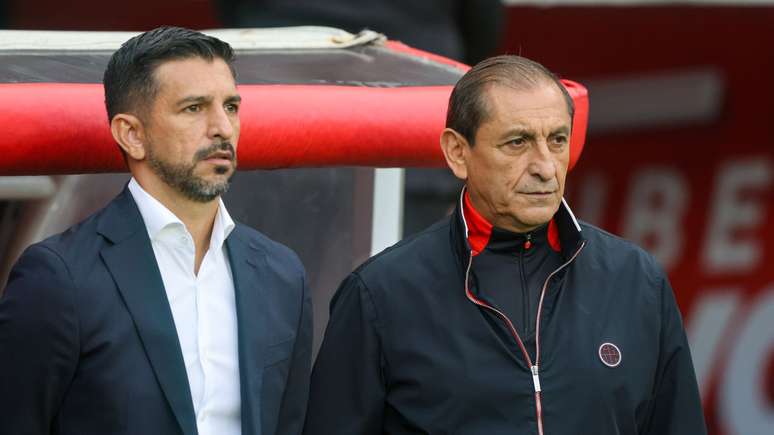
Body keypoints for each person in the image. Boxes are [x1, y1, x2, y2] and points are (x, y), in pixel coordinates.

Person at [304, 55, 707, 434]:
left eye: (558, 140)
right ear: (458, 152)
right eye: (518, 142)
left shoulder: (637, 281)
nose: (545, 167)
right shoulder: (380, 295)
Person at [0, 27, 311, 435]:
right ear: (132, 134)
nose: (222, 127)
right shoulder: (59, 277)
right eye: (194, 108)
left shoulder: (281, 274)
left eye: (231, 106)